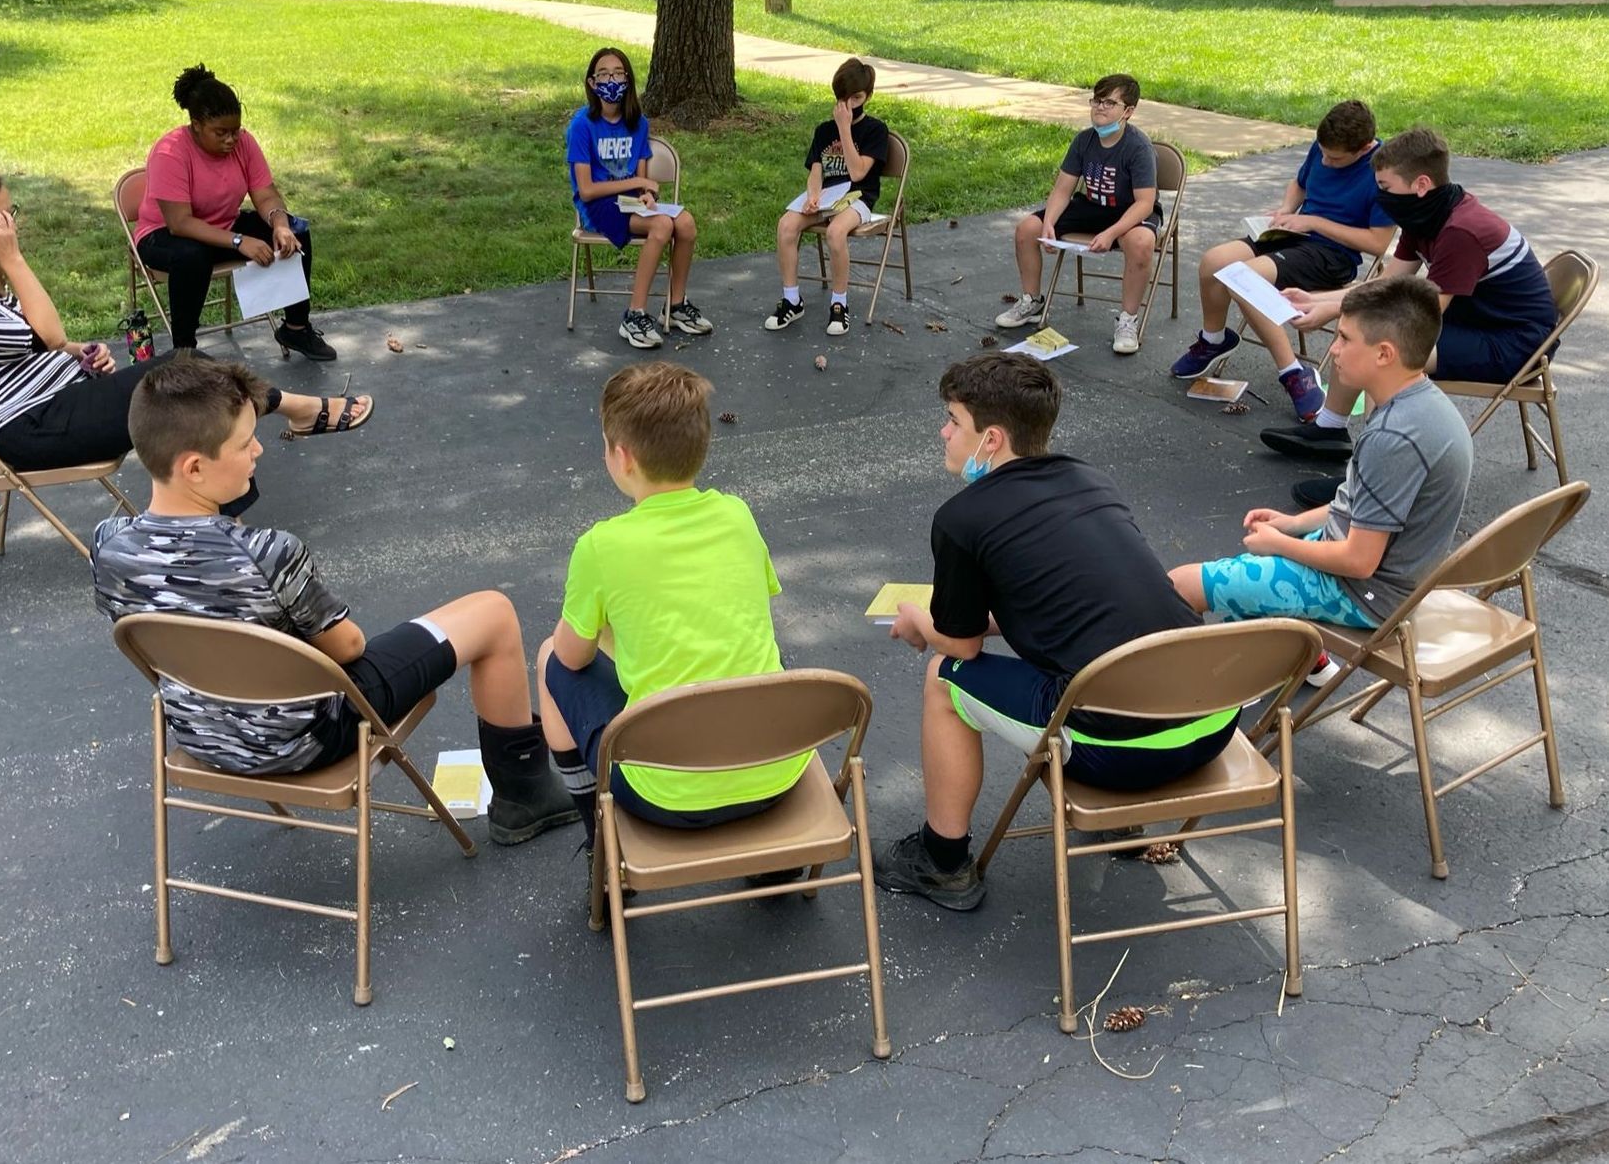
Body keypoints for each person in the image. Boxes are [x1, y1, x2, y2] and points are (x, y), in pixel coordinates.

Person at [89, 357, 577, 842]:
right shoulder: (268, 553)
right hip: (305, 739)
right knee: (493, 612)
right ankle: (524, 797)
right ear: (194, 467)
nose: (259, 449)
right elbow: (347, 648)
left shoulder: (107, 544)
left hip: (202, 734)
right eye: (244, 444)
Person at [873, 353, 1239, 911]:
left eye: (953, 419)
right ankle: (1122, 825)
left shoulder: (963, 519)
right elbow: (1075, 607)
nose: (943, 431)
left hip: (1123, 754)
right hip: (1212, 720)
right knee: (1093, 654)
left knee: (944, 681)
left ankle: (942, 860)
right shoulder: (1090, 479)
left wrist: (919, 620)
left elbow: (961, 644)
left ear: (990, 438)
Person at [0, 162, 371, 520]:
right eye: (7, 215)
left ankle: (230, 505)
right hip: (29, 429)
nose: (14, 223)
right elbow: (49, 333)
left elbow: (34, 346)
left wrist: (77, 356)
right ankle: (290, 421)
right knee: (188, 387)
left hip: (55, 402)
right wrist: (13, 258)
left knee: (188, 374)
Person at [535, 362, 799, 847]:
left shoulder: (601, 546)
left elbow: (574, 657)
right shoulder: (737, 515)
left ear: (623, 457)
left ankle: (601, 844)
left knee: (549, 656)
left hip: (667, 795)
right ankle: (776, 863)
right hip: (776, 774)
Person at [1169, 276, 1472, 647]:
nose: (1334, 350)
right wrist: (1294, 523)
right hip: (1384, 579)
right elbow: (1362, 505)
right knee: (1246, 566)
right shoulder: (1424, 404)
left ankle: (1187, 696)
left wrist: (1281, 544)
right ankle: (1308, 658)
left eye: (1345, 338)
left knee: (1181, 586)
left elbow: (1359, 561)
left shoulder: (1394, 436)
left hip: (1361, 595)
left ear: (1384, 354)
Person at [1259, 126, 1555, 505]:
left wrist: (1333, 308)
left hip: (1513, 342)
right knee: (1361, 328)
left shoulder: (1462, 232)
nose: (1380, 196)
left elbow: (1421, 313)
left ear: (1420, 184)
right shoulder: (1427, 213)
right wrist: (1318, 299)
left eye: (1385, 186)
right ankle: (1330, 430)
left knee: (1384, 354)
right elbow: (1389, 282)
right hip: (1476, 319)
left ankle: (1368, 483)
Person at [1169, 100, 1397, 419]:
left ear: (1364, 148)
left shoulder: (1385, 170)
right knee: (1214, 260)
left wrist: (1314, 222)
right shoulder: (1323, 148)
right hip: (1294, 235)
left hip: (1332, 254)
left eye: (1335, 158)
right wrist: (1287, 210)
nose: (1326, 162)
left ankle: (1293, 372)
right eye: (1323, 153)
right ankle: (1214, 339)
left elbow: (1378, 242)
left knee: (1243, 276)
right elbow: (1299, 184)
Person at [134, 64, 336, 360]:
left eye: (235, 131)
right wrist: (239, 240)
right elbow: (179, 223)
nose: (231, 139)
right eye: (221, 133)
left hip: (223, 226)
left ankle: (296, 327)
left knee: (297, 232)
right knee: (192, 257)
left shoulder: (244, 144)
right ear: (196, 124)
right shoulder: (170, 152)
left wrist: (279, 224)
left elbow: (265, 194)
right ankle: (185, 354)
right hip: (164, 236)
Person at [996, 73, 1164, 355]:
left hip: (1129, 211)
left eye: (1109, 102)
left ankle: (1128, 320)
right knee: (1027, 228)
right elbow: (1063, 190)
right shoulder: (1084, 141)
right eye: (1097, 100)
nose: (1100, 107)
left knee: (1140, 243)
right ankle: (1032, 302)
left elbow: (1145, 203)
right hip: (1092, 206)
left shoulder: (1138, 147)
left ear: (1128, 111)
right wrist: (1048, 224)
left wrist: (1111, 234)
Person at [566, 47, 710, 351]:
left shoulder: (637, 123)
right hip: (599, 205)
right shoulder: (582, 125)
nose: (611, 80)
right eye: (603, 74)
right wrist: (638, 183)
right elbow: (587, 190)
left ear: (628, 80)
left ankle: (676, 304)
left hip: (630, 202)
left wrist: (647, 193)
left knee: (685, 223)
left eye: (618, 73)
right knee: (662, 227)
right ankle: (634, 314)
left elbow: (643, 181)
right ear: (592, 83)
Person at [766, 56, 893, 339]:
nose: (850, 104)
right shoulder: (823, 130)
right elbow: (815, 171)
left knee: (836, 233)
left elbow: (859, 172)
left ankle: (839, 303)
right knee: (786, 224)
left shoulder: (875, 130)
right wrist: (812, 196)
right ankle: (791, 299)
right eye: (844, 98)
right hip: (826, 196)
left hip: (858, 198)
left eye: (857, 97)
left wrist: (846, 129)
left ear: (867, 96)